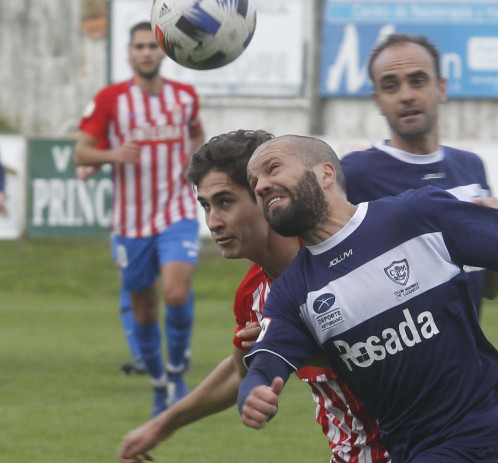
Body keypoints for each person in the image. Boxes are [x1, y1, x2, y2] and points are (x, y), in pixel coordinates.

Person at [238, 135, 498, 463]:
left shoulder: (418, 215)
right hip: (409, 449)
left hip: (479, 431)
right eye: (254, 182)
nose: (261, 186)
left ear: (326, 173)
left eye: (273, 168)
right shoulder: (294, 291)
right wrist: (254, 391)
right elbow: (267, 364)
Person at [118, 130, 389, 463]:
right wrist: (162, 426)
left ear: (266, 197)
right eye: (206, 206)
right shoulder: (252, 295)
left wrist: (296, 347)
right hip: (353, 453)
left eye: (225, 202)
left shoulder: (341, 255)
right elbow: (240, 370)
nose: (213, 222)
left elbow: (402, 349)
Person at [74, 21, 204, 416]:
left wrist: (195, 162)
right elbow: (81, 153)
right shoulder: (111, 99)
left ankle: (178, 371)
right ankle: (159, 384)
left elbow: (198, 136)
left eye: (152, 46)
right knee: (144, 310)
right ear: (129, 54)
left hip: (177, 212)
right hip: (130, 223)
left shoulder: (185, 97)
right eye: (139, 47)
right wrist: (113, 155)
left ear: (162, 51)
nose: (146, 52)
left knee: (176, 293)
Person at [340, 33, 498, 311]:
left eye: (418, 81)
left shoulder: (471, 166)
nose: (406, 96)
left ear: (441, 88)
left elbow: (490, 289)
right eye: (391, 86)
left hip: (473, 355)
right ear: (378, 100)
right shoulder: (355, 174)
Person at [77, 165, 146, 375]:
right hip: (126, 220)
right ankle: (142, 356)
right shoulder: (119, 138)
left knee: (175, 285)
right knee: (129, 280)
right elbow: (84, 166)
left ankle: (174, 354)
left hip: (162, 219)